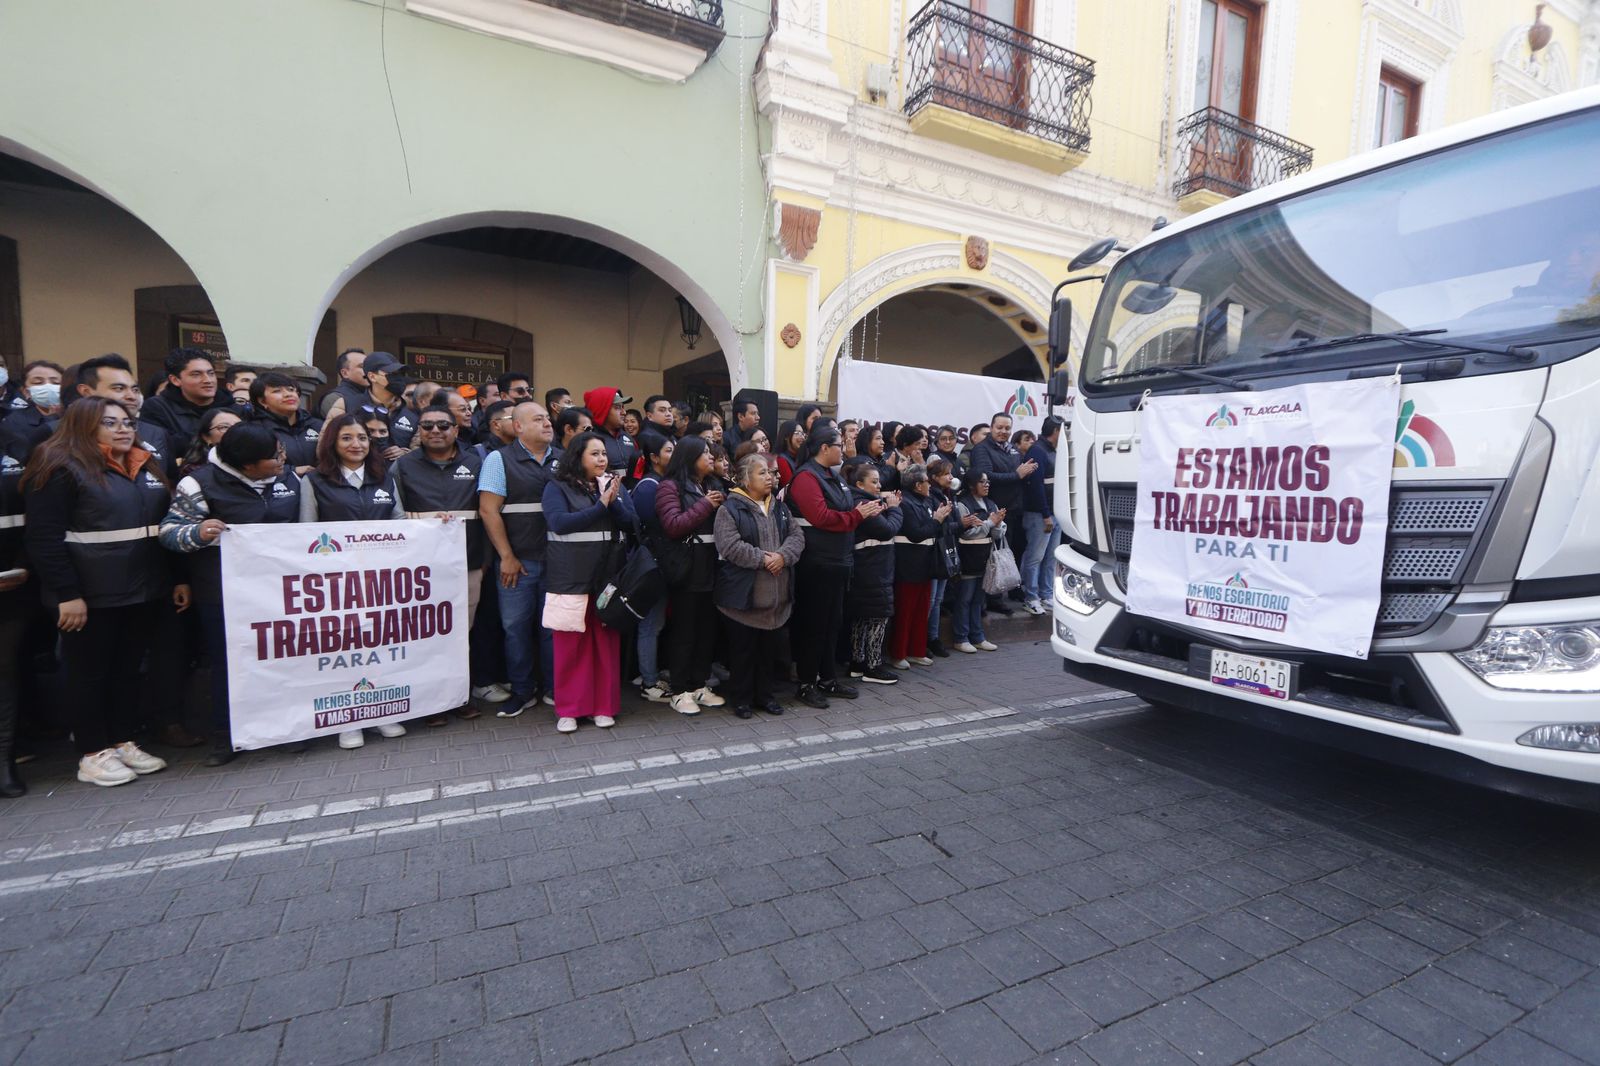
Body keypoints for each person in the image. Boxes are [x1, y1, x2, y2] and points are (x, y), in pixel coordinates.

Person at [21, 398, 178, 786]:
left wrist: (174, 579)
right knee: (89, 674)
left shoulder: (144, 464)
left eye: (127, 422)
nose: (124, 429)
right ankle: (93, 753)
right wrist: (66, 593)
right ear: (83, 426)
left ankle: (123, 740)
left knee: (127, 671)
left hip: (142, 589)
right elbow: (44, 539)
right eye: (110, 423)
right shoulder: (60, 467)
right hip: (89, 596)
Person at [159, 423, 304, 764]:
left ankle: (284, 729)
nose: (282, 460)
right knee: (230, 664)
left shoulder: (290, 479)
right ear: (247, 465)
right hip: (224, 592)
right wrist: (197, 532)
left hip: (281, 590)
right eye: (274, 457)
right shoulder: (197, 484)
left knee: (283, 659)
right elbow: (169, 532)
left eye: (281, 451)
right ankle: (228, 736)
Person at [298, 414, 407, 747]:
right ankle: (349, 720)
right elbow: (307, 530)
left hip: (380, 581)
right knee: (344, 650)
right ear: (332, 442)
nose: (356, 444)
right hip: (337, 585)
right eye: (347, 438)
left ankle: (380, 711)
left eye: (362, 437)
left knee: (378, 647)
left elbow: (400, 522)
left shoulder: (384, 478)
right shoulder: (314, 481)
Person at [394, 401, 487, 724]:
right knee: (426, 634)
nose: (435, 431)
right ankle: (428, 703)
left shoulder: (475, 462)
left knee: (461, 633)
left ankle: (458, 696)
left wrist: (486, 560)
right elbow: (392, 515)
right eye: (427, 426)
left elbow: (487, 513)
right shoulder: (404, 467)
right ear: (418, 431)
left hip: (469, 563)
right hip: (421, 568)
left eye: (443, 426)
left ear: (456, 430)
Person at [541, 431, 637, 733]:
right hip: (570, 577)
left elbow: (632, 524)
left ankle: (603, 707)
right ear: (578, 457)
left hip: (608, 577)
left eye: (604, 454)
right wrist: (600, 505)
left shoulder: (613, 485)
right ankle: (569, 709)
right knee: (571, 646)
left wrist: (611, 498)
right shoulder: (557, 487)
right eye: (594, 454)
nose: (602, 459)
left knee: (605, 644)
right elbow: (559, 523)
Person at [787, 425, 878, 708]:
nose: (845, 447)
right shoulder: (805, 477)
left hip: (838, 561)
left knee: (832, 623)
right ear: (824, 448)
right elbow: (821, 517)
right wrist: (855, 515)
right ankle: (806, 683)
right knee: (814, 625)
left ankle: (827, 678)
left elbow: (842, 509)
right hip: (817, 562)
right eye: (839, 444)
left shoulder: (832, 476)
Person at [478, 401, 559, 716]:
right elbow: (488, 510)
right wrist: (507, 556)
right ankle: (523, 690)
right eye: (538, 419)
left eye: (548, 419)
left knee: (553, 629)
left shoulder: (563, 460)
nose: (547, 424)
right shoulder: (500, 460)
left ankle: (554, 687)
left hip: (557, 562)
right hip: (518, 564)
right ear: (518, 426)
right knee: (516, 629)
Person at [714, 453, 804, 719]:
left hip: (776, 599)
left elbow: (797, 536)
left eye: (771, 473)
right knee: (743, 653)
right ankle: (741, 699)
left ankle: (765, 696)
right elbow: (730, 546)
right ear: (745, 478)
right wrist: (765, 560)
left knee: (768, 652)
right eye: (762, 473)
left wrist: (783, 557)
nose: (770, 478)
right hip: (743, 599)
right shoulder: (729, 509)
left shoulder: (779, 507)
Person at [654, 436, 727, 717]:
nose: (711, 457)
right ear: (689, 456)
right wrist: (706, 505)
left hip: (712, 568)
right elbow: (673, 526)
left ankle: (699, 684)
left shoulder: (711, 485)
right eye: (705, 453)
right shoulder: (669, 487)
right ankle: (680, 689)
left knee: (707, 631)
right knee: (684, 632)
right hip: (687, 569)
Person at [966, 412, 1036, 612]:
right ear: (992, 427)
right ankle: (990, 601)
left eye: (1007, 428)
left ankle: (998, 596)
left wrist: (1022, 473)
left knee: (1005, 553)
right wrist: (1016, 474)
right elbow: (986, 477)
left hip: (1012, 510)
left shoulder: (1012, 449)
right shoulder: (981, 449)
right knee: (990, 556)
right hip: (991, 511)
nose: (1003, 432)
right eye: (1000, 428)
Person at [844, 460, 904, 684]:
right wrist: (895, 509)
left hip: (870, 568)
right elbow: (887, 530)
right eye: (874, 482)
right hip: (873, 570)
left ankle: (858, 663)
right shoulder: (863, 504)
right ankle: (873, 666)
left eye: (880, 481)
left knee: (863, 618)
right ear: (859, 483)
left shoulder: (866, 501)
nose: (879, 486)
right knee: (878, 617)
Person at [75, 353, 178, 479]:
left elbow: (171, 484)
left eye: (135, 389)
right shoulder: (56, 432)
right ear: (86, 392)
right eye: (119, 388)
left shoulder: (156, 434)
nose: (132, 396)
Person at [886, 463, 948, 670]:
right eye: (927, 482)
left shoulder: (926, 500)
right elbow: (916, 533)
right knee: (905, 612)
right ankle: (899, 653)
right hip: (908, 564)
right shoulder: (905, 503)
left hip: (925, 562)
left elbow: (933, 531)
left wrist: (939, 520)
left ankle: (917, 650)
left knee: (922, 610)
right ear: (917, 484)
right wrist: (937, 520)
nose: (930, 485)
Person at [630, 433, 675, 703]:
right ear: (654, 458)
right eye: (669, 450)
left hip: (661, 564)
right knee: (650, 624)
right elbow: (651, 529)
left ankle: (650, 672)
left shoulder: (664, 483)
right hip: (652, 565)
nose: (675, 455)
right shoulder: (649, 487)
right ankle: (649, 681)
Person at [0, 420, 27, 795]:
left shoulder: (13, 457)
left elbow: (33, 526)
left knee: (4, 673)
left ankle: (4, 761)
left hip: (12, 587)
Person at [140, 348, 230, 458]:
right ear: (175, 380)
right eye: (196, 374)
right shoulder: (157, 408)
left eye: (211, 373)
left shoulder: (233, 406)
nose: (208, 380)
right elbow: (160, 449)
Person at [953, 471, 1004, 653]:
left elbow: (996, 534)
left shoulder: (991, 503)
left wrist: (997, 525)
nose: (986, 484)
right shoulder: (963, 504)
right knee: (964, 599)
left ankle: (978, 637)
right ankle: (961, 637)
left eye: (987, 481)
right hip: (968, 556)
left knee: (978, 600)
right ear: (972, 484)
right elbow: (966, 532)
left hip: (986, 556)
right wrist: (990, 523)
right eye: (982, 481)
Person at [1019, 415, 1063, 615]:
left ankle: (1046, 594)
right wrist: (1046, 514)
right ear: (1055, 431)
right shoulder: (1037, 451)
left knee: (1050, 557)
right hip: (1039, 515)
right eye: (1063, 430)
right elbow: (1036, 487)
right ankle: (1031, 596)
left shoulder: (1055, 450)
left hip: (1055, 513)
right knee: (1035, 557)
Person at [925, 458, 962, 658]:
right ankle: (923, 638)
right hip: (935, 551)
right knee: (931, 599)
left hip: (946, 549)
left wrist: (960, 523)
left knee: (938, 598)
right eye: (946, 474)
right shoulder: (932, 496)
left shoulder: (949, 495)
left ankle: (933, 637)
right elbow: (940, 525)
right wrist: (962, 524)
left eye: (951, 473)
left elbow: (952, 523)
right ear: (934, 478)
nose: (950, 477)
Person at [249, 371, 322, 470]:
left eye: (291, 390)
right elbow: (253, 467)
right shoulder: (256, 429)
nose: (288, 394)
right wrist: (292, 471)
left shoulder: (318, 425)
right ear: (262, 401)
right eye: (277, 391)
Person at [0, 360, 65, 463]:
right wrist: (52, 421)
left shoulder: (76, 415)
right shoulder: (13, 421)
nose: (48, 386)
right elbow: (25, 454)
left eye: (55, 382)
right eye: (38, 382)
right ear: (26, 392)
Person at [356, 352, 411, 449]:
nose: (398, 378)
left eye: (400, 373)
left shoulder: (411, 410)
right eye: (392, 373)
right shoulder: (350, 405)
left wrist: (406, 454)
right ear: (372, 377)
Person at [584, 386, 637, 474]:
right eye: (617, 407)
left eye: (623, 407)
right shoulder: (589, 439)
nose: (624, 412)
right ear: (602, 410)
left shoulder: (627, 437)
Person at [320, 348, 369, 418]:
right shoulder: (335, 398)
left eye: (369, 366)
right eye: (362, 366)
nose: (369, 370)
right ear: (345, 373)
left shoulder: (372, 396)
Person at [775, 418, 805, 489]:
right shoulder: (781, 460)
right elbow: (791, 488)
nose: (802, 437)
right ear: (786, 436)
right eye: (797, 433)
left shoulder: (800, 457)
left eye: (803, 433)